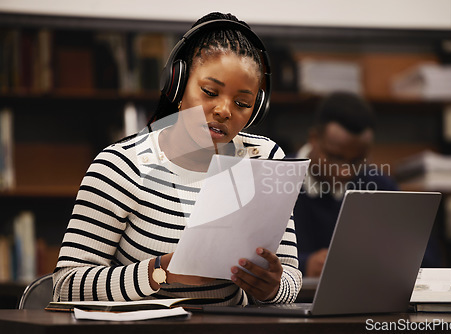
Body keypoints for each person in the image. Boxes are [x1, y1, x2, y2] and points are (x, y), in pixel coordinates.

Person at [53, 12, 301, 305]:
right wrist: (161, 272)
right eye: (210, 92)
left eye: (242, 103)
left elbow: (291, 279)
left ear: (256, 110)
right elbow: (67, 285)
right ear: (177, 85)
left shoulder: (264, 159)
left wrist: (272, 288)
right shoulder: (120, 166)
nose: (224, 110)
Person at [292, 92, 399, 277]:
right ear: (314, 139)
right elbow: (249, 258)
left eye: (357, 160)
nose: (346, 172)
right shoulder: (275, 177)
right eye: (336, 157)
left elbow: (425, 258)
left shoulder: (381, 187)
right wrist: (301, 266)